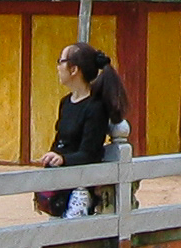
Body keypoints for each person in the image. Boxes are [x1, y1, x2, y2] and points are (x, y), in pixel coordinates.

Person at [38, 43, 127, 218]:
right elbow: (61, 141)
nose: (57, 67)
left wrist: (63, 159)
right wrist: (53, 155)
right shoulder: (65, 103)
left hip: (81, 187)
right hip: (60, 180)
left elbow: (90, 153)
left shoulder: (95, 108)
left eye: (60, 61)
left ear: (74, 70)